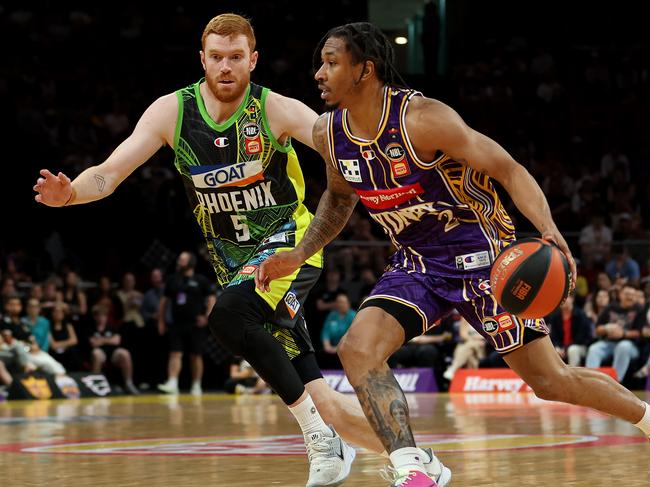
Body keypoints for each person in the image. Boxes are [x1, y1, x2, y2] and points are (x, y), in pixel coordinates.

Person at [32, 13, 449, 486]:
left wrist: (409, 197)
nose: (225, 67)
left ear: (253, 60)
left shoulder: (278, 110)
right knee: (325, 398)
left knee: (228, 317)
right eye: (216, 57)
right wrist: (72, 194)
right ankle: (416, 461)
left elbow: (347, 150)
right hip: (235, 264)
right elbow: (108, 173)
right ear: (202, 60)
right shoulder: (172, 112)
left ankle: (319, 438)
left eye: (235, 57)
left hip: (289, 247)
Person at [255, 21, 650, 486]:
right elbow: (339, 200)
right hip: (417, 262)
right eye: (321, 62)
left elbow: (508, 167)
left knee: (550, 381)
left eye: (331, 62)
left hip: (485, 256)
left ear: (365, 70)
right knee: (357, 349)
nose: (318, 73)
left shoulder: (424, 118)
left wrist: (547, 229)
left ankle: (646, 418)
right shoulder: (328, 132)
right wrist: (298, 254)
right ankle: (413, 467)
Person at [157, 251, 217, 396]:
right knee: (175, 353)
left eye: (182, 259)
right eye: (179, 258)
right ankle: (172, 382)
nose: (179, 261)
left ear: (191, 262)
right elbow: (164, 302)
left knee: (195, 355)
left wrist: (207, 317)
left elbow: (211, 298)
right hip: (176, 323)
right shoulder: (172, 279)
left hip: (196, 324)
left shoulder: (201, 280)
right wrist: (161, 321)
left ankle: (196, 385)